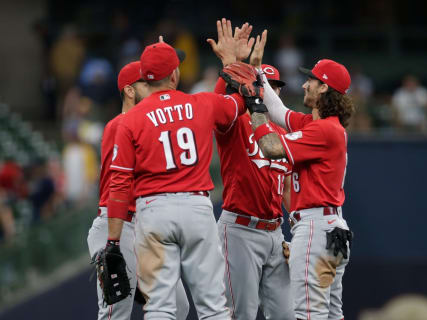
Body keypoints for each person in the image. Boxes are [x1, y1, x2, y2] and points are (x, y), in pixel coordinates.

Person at [107, 32, 246, 319]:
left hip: (154, 210)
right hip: (196, 206)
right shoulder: (202, 103)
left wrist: (113, 242)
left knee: (159, 306)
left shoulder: (129, 120)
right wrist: (233, 65)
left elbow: (119, 184)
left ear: (145, 77)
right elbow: (238, 104)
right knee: (213, 307)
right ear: (175, 74)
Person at [236, 31, 355, 320]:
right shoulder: (324, 126)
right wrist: (256, 72)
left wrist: (253, 106)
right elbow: (280, 112)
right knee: (331, 314)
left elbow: (271, 146)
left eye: (311, 80)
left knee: (307, 314)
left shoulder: (324, 130)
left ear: (324, 89)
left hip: (315, 229)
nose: (304, 84)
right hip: (332, 226)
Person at [87, 60, 190, 320]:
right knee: (115, 311)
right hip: (119, 226)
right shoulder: (120, 124)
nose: (154, 87)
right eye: (147, 82)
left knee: (178, 306)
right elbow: (119, 183)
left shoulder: (145, 124)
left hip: (146, 228)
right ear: (130, 91)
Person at [209, 22, 295, 320]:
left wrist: (297, 230)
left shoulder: (284, 132)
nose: (265, 90)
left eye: (272, 86)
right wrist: (231, 64)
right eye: (259, 85)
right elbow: (217, 108)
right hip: (241, 230)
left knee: (286, 316)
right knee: (240, 314)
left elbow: (285, 188)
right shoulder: (235, 121)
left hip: (275, 232)